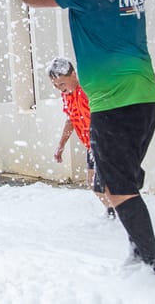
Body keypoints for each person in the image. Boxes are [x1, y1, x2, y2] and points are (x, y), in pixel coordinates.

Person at [21, 0, 155, 280]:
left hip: (112, 101)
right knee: (118, 184)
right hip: (146, 94)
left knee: (117, 188)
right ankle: (138, 256)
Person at [47, 57, 114, 218]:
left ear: (74, 75)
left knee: (103, 182)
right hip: (91, 144)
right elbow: (70, 120)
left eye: (62, 84)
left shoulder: (88, 90)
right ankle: (112, 209)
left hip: (105, 140)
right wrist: (61, 145)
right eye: (55, 86)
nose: (60, 89)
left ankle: (123, 209)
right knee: (92, 182)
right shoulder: (67, 96)